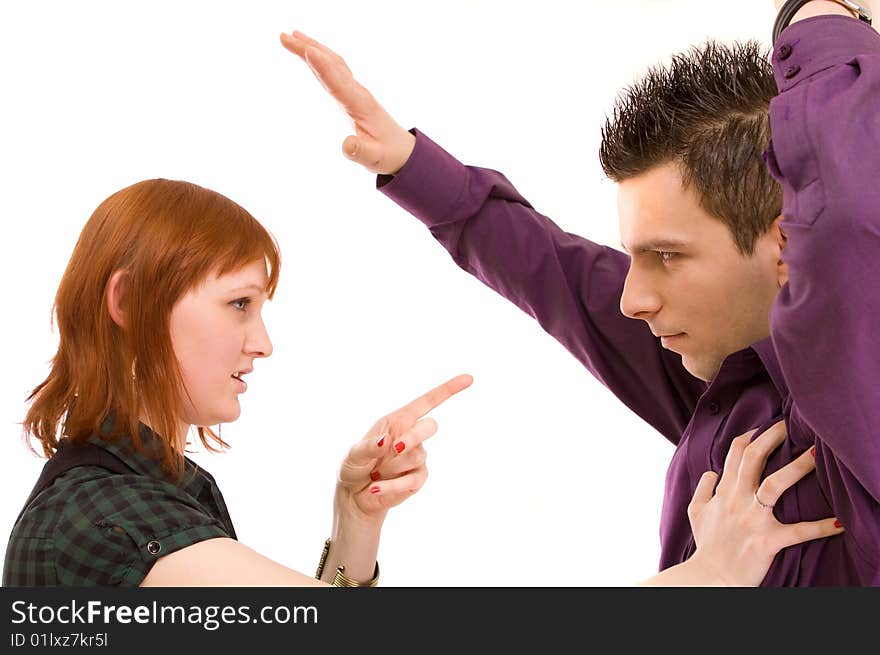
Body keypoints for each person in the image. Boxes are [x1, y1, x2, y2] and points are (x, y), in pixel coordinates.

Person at [280, 0, 880, 585]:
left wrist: (815, 15)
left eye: (666, 256)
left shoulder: (857, 408)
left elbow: (847, 216)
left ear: (787, 244)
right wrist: (410, 163)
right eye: (636, 255)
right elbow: (555, 274)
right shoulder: (724, 375)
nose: (630, 298)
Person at [1, 180, 839, 588]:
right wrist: (705, 578)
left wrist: (352, 519)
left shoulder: (161, 491)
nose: (261, 340)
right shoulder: (109, 522)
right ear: (126, 301)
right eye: (239, 303)